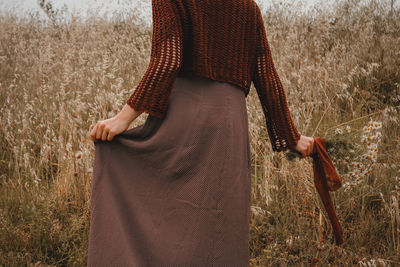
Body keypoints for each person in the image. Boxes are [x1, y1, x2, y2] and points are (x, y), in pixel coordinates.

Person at [87, 0, 314, 266]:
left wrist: (122, 119)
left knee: (166, 212)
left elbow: (168, 61)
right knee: (218, 229)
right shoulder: (248, 7)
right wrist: (292, 138)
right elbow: (266, 76)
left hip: (185, 119)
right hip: (230, 126)